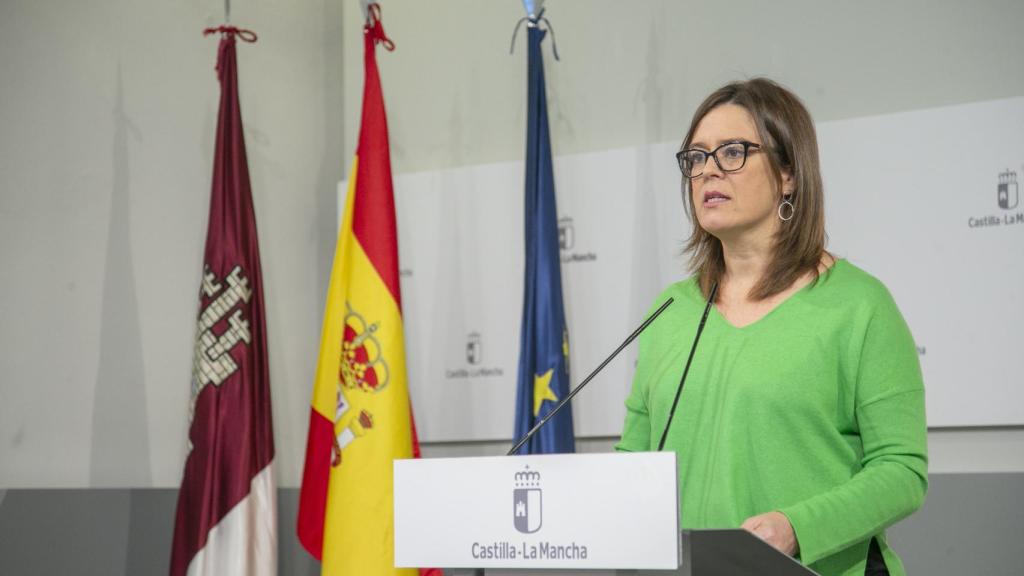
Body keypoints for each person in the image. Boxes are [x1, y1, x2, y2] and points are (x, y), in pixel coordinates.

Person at [616, 78, 928, 576]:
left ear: (788, 175)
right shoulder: (668, 312)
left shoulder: (858, 305)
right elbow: (633, 460)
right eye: (695, 157)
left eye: (732, 152)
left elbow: (902, 471)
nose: (707, 170)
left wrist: (796, 527)